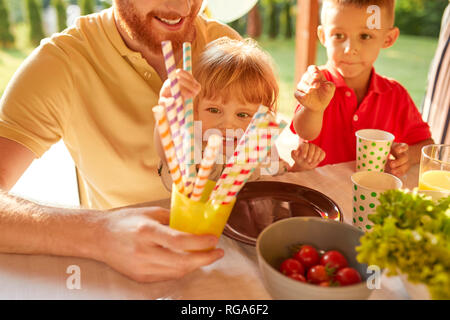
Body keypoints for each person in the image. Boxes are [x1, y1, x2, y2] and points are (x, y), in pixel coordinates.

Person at [0, 0, 246, 283]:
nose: (182, 6)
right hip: (123, 275)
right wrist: (99, 234)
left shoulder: (225, 46)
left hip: (226, 260)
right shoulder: (63, 62)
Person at [156, 37, 327, 191]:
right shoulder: (193, 147)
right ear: (195, 111)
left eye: (243, 114)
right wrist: (165, 111)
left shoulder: (261, 150)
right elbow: (167, 152)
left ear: (263, 116)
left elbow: (278, 186)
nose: (228, 124)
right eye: (214, 110)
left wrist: (298, 168)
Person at [291, 0, 434, 177]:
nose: (350, 49)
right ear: (323, 36)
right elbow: (305, 132)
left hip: (372, 197)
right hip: (320, 194)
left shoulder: (396, 95)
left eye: (365, 36)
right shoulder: (317, 84)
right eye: (339, 36)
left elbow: (426, 144)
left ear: (388, 38)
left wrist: (408, 157)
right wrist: (313, 109)